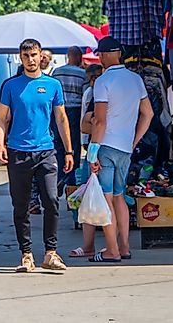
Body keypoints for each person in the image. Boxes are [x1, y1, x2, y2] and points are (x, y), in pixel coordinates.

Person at [0, 39, 73, 272]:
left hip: (46, 151)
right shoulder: (10, 85)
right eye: (26, 55)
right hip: (18, 151)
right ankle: (26, 254)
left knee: (51, 200)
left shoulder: (52, 85)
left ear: (42, 57)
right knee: (21, 205)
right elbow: (1, 118)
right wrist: (0, 144)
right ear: (21, 57)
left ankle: (51, 252)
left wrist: (69, 150)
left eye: (34, 55)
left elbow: (61, 118)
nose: (30, 59)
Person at [87, 37, 153, 263]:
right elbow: (149, 114)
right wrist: (134, 141)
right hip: (125, 147)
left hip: (106, 145)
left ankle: (111, 250)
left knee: (106, 199)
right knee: (119, 197)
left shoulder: (103, 82)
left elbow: (100, 122)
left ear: (104, 56)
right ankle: (124, 247)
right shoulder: (136, 80)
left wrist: (92, 152)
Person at [70, 64, 105, 257]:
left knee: (110, 197)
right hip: (95, 148)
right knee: (89, 195)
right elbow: (85, 124)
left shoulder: (103, 93)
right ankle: (90, 245)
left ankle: (114, 246)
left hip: (104, 148)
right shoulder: (93, 94)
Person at [51, 46, 87, 194]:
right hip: (75, 111)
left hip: (58, 110)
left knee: (58, 144)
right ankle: (71, 179)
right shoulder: (83, 74)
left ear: (67, 56)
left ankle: (59, 175)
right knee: (73, 146)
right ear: (79, 58)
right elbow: (85, 95)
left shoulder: (57, 72)